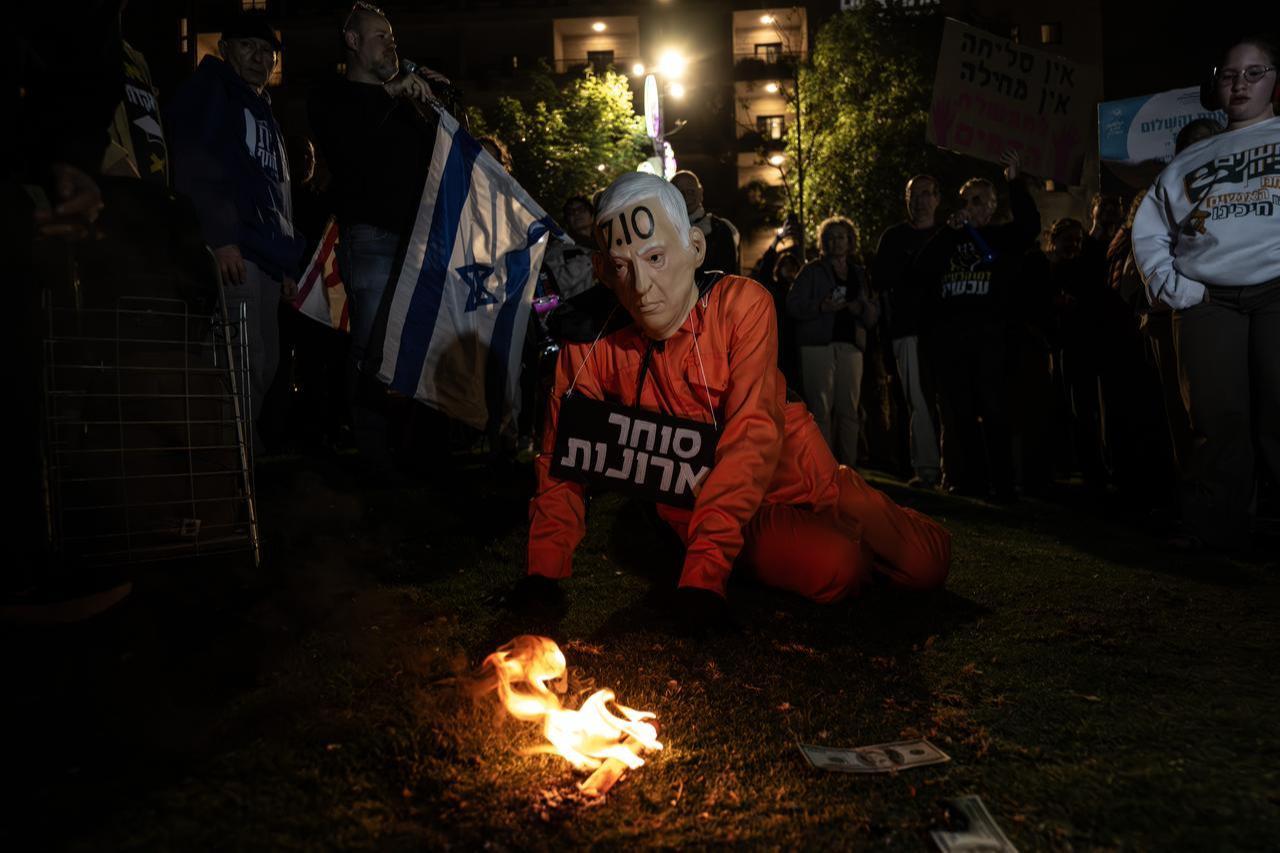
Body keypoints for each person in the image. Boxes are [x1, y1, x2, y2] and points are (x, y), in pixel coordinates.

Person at [522, 173, 950, 631]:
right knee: (839, 567)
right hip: (701, 502)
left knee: (925, 563)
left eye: (656, 257)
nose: (643, 286)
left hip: (803, 478)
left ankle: (861, 533)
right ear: (602, 270)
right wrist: (543, 573)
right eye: (623, 266)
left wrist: (704, 575)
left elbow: (751, 435)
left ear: (695, 249)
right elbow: (562, 457)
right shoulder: (587, 341)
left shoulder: (741, 304)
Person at [1131, 34, 1280, 550]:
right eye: (1229, 74)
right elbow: (1149, 226)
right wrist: (1171, 286)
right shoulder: (1189, 160)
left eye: (1254, 72)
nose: (1240, 83)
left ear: (1275, 81)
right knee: (1217, 419)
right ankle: (1213, 529)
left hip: (1276, 291)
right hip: (1209, 301)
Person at [308, 2, 444, 463]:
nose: (392, 43)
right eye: (380, 35)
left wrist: (437, 103)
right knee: (372, 341)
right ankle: (372, 448)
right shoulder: (333, 96)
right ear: (352, 42)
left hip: (418, 240)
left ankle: (411, 444)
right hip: (372, 239)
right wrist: (391, 94)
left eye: (392, 36)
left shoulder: (405, 100)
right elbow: (347, 148)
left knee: (415, 340)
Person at [167, 14, 304, 449]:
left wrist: (286, 262)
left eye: (268, 52)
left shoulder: (265, 112)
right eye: (248, 46)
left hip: (264, 257)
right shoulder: (211, 89)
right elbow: (193, 161)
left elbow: (277, 193)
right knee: (237, 359)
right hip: (235, 251)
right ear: (224, 49)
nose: (260, 58)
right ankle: (224, 456)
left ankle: (239, 451)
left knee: (264, 363)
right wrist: (221, 236)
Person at [915, 150, 1040, 499]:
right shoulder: (950, 238)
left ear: (991, 205)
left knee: (994, 413)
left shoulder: (1003, 237)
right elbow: (923, 270)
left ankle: (1000, 482)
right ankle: (967, 480)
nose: (969, 206)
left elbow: (1030, 227)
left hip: (991, 342)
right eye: (965, 200)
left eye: (977, 200)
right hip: (953, 343)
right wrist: (946, 235)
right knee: (959, 413)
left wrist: (1016, 182)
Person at [787, 216, 879, 468]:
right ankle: (823, 469)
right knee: (821, 410)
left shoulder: (859, 273)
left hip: (851, 347)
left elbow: (873, 313)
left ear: (850, 241)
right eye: (830, 237)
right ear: (822, 242)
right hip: (818, 347)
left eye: (841, 237)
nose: (836, 242)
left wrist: (861, 307)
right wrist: (821, 306)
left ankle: (848, 468)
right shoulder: (811, 271)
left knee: (849, 410)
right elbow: (792, 305)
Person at [873, 176, 943, 487]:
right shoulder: (893, 238)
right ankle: (927, 468)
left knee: (948, 401)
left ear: (937, 199)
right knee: (918, 401)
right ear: (906, 199)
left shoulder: (946, 235)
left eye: (927, 194)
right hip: (907, 330)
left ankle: (956, 466)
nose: (920, 201)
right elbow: (882, 288)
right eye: (914, 194)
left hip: (944, 329)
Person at [670, 170, 741, 275]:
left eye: (690, 191)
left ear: (700, 192)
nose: (686, 197)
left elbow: (729, 275)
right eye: (680, 193)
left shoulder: (721, 229)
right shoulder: (664, 230)